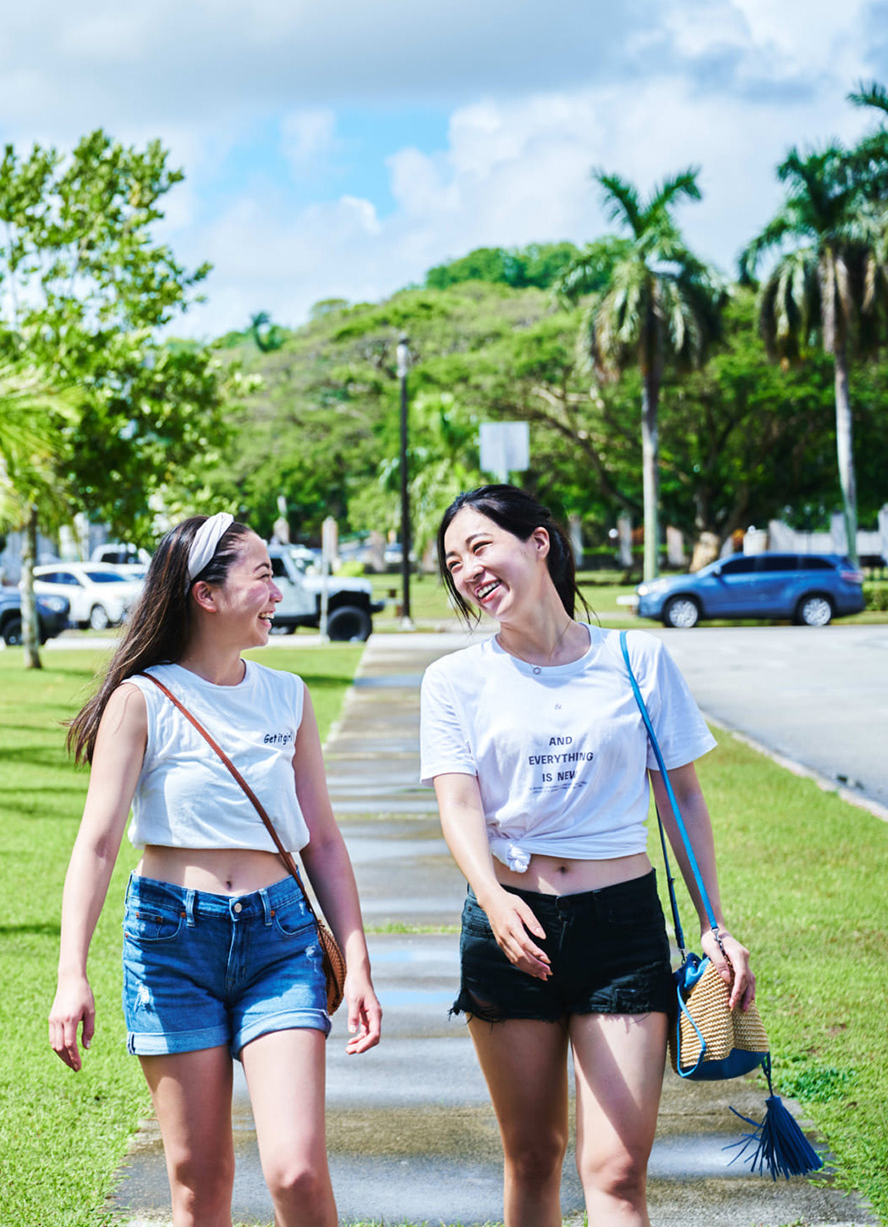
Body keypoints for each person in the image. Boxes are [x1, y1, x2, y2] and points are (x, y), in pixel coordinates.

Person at [421, 485, 755, 1227]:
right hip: (510, 927)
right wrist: (494, 897)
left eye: (481, 547)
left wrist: (715, 924)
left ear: (539, 544)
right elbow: (459, 804)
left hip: (620, 930)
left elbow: (682, 799)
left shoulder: (638, 659)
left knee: (618, 1173)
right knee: (533, 1157)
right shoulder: (455, 680)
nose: (469, 571)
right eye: (454, 562)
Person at [50, 512, 381, 1227]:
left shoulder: (287, 695)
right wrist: (70, 974)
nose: (276, 592)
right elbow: (98, 843)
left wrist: (356, 963)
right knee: (199, 1182)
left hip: (280, 943)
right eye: (262, 576)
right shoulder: (142, 699)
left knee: (295, 1170)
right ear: (206, 593)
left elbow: (321, 840)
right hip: (173, 946)